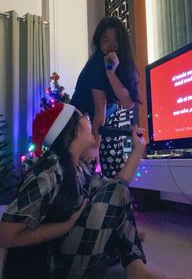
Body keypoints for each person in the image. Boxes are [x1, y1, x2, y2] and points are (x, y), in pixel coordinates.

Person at [0, 103, 168, 279]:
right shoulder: (47, 172)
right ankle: (134, 268)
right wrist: (64, 226)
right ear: (73, 130)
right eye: (85, 117)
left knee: (115, 191)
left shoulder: (78, 168)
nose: (90, 122)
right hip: (49, 268)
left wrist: (138, 149)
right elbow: (5, 235)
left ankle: (136, 268)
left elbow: (116, 189)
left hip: (67, 252)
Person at [70, 16, 142, 179]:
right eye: (105, 40)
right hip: (81, 122)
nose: (111, 45)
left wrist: (111, 73)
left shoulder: (122, 62)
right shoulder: (96, 65)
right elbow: (98, 110)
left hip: (102, 120)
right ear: (98, 42)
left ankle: (114, 198)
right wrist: (95, 145)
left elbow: (129, 103)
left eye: (116, 39)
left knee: (113, 164)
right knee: (85, 168)